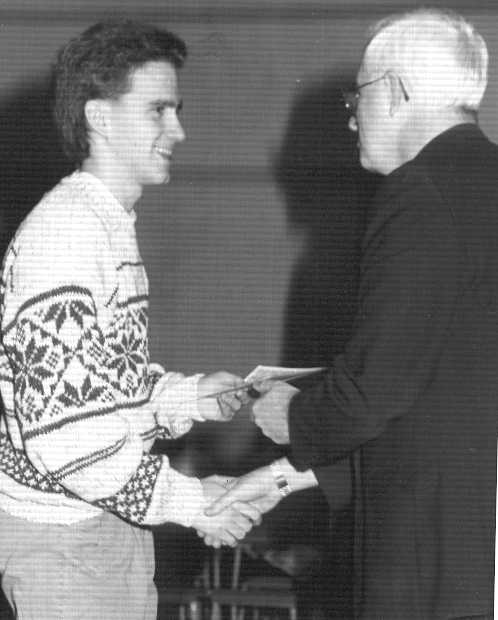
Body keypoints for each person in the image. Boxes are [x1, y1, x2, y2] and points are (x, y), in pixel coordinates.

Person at [207, 8, 496, 619]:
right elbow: (438, 402)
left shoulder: (420, 192)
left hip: (430, 573)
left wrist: (292, 416)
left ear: (394, 91)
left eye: (355, 97)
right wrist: (282, 478)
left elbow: (375, 391)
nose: (351, 116)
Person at [0, 19, 262, 620]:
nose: (179, 130)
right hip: (65, 542)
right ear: (100, 117)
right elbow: (70, 439)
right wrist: (193, 503)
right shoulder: (66, 236)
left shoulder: (104, 224)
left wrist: (192, 397)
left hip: (106, 526)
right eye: (158, 111)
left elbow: (101, 389)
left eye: (177, 111)